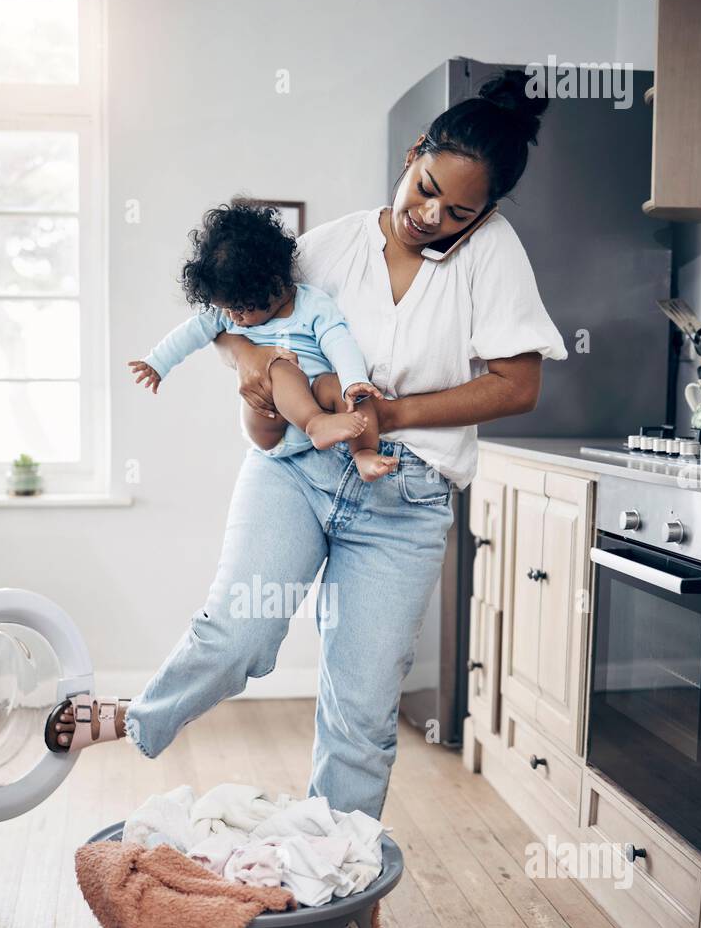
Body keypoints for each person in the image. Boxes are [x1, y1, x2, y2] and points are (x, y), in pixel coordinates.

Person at [45, 70, 567, 822]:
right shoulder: (327, 247)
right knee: (240, 632)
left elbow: (517, 385)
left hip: (405, 497)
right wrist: (253, 367)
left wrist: (390, 414)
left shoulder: (492, 252)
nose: (430, 216)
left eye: (459, 210)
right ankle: (139, 715)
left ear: (485, 213)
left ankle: (338, 882)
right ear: (414, 152)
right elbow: (233, 317)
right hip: (295, 468)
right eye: (424, 188)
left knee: (360, 710)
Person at [128, 199, 393, 480]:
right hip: (268, 418)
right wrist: (157, 362)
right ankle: (316, 424)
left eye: (241, 308)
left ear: (276, 285)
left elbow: (338, 339)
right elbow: (191, 333)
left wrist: (353, 380)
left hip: (317, 397)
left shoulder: (312, 304)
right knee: (277, 364)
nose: (232, 317)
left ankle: (363, 454)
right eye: (226, 309)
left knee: (349, 391)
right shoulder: (227, 315)